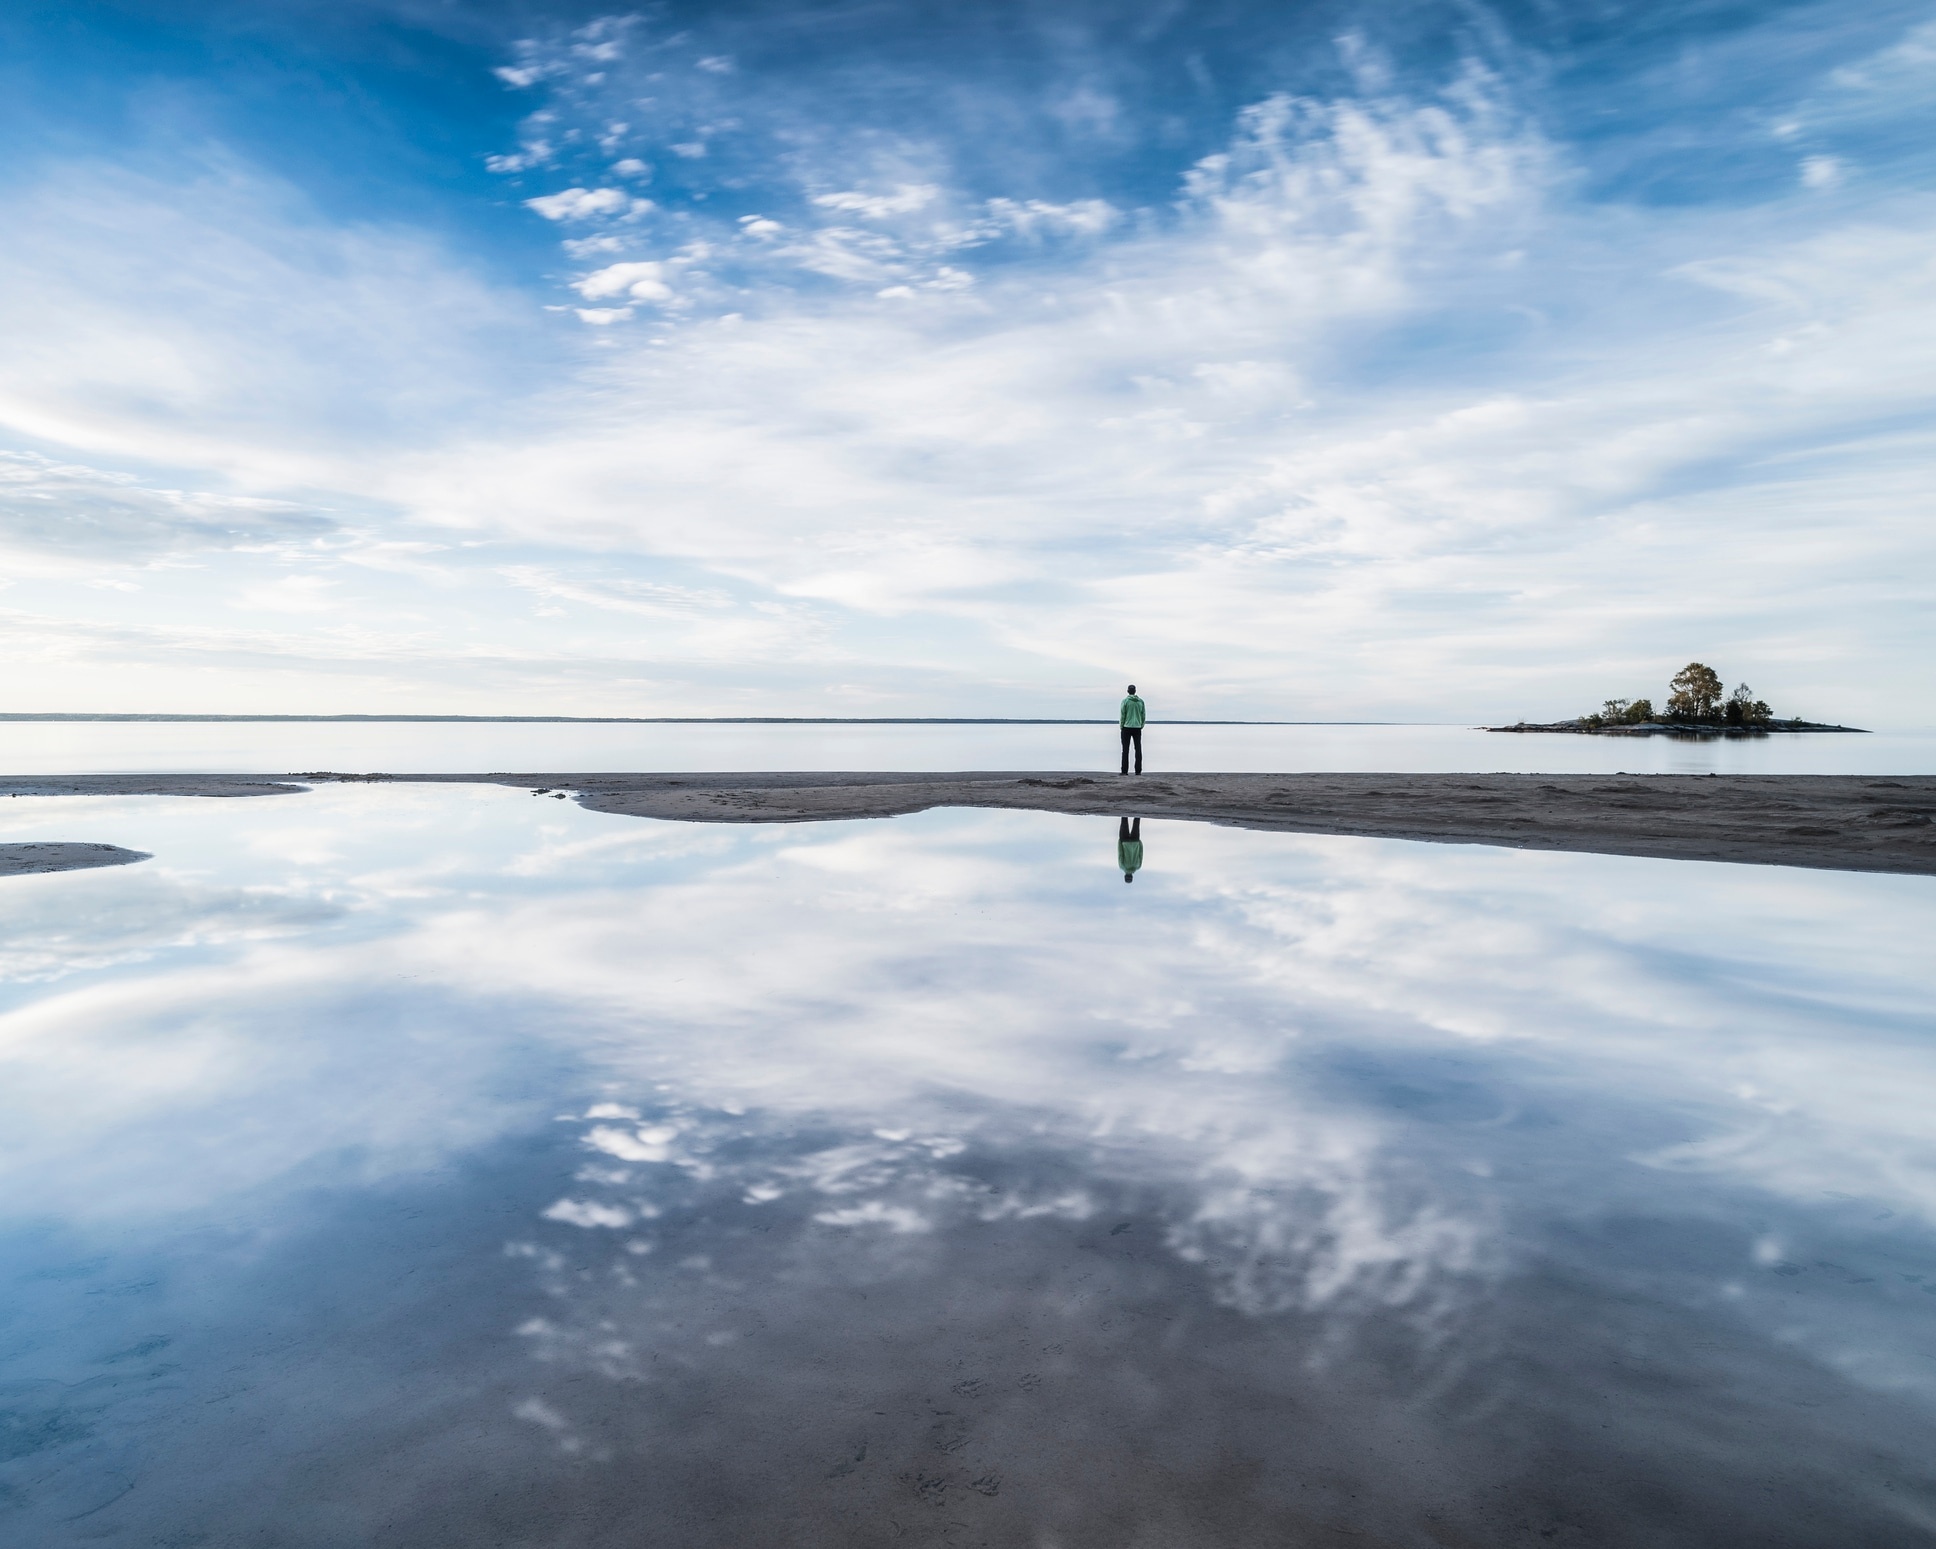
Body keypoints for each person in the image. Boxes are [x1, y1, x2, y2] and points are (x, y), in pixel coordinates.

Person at [1118, 684, 1146, 775]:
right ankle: (1138, 771)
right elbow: (1143, 715)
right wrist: (1141, 725)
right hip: (1137, 727)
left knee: (1125, 750)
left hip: (1126, 727)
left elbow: (1123, 714)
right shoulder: (1141, 701)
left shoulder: (1125, 701)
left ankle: (1124, 771)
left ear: (1128, 691)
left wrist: (1121, 726)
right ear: (1135, 691)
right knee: (1138, 749)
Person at [1117, 816, 1143, 883]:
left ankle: (1139, 808)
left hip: (1135, 842)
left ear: (1132, 876)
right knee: (1124, 821)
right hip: (1124, 842)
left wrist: (1139, 842)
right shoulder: (1122, 866)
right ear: (1125, 876)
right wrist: (1120, 842)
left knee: (1136, 822)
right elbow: (1120, 853)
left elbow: (1141, 853)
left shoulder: (1138, 866)